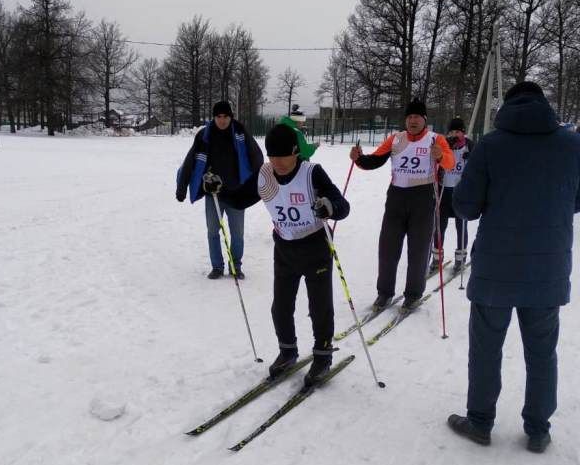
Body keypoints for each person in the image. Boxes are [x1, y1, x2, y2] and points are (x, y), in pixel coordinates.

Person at [447, 81, 580, 453]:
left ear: (506, 106)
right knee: (542, 350)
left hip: (495, 269)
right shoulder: (572, 144)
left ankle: (480, 421)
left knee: (486, 347)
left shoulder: (491, 145)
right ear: (545, 104)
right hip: (548, 267)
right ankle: (538, 429)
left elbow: (467, 207)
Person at [203, 124, 350, 387]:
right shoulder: (265, 174)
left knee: (320, 307)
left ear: (295, 152)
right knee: (280, 307)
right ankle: (288, 351)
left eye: (282, 155)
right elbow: (239, 199)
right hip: (285, 248)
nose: (277, 162)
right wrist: (217, 189)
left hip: (315, 246)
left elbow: (342, 205)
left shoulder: (311, 173)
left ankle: (323, 355)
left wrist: (329, 206)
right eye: (272, 156)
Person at [349, 98, 454, 311]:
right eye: (409, 117)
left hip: (423, 198)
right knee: (387, 248)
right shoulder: (396, 139)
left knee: (418, 249)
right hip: (396, 197)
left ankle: (413, 294)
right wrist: (359, 158)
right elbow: (375, 160)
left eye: (417, 117)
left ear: (424, 119)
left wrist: (440, 155)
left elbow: (450, 164)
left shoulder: (436, 139)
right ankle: (384, 293)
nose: (413, 121)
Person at [175, 101, 263, 279]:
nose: (222, 120)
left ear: (231, 117)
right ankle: (217, 266)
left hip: (237, 193)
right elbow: (190, 161)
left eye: (226, 116)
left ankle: (235, 266)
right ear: (214, 117)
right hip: (213, 193)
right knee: (212, 231)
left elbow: (256, 156)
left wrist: (257, 181)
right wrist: (182, 187)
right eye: (218, 117)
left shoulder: (239, 131)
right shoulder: (204, 135)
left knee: (237, 234)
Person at [428, 117, 475, 274]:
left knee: (461, 225)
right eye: (451, 132)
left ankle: (460, 258)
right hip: (444, 190)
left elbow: (480, 166)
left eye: (457, 131)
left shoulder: (470, 146)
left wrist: (472, 160)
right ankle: (436, 258)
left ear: (463, 133)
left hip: (461, 191)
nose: (454, 134)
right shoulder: (444, 145)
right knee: (440, 226)